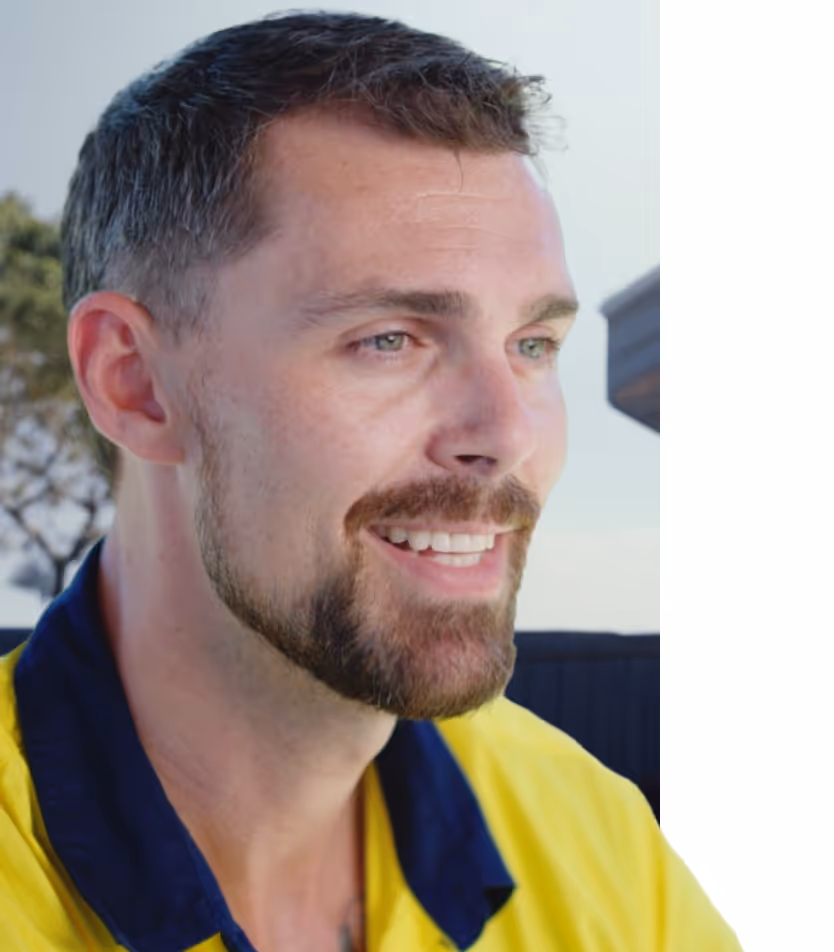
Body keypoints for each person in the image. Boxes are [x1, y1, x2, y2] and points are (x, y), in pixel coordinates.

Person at [0, 12, 741, 952]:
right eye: (390, 340)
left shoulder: (597, 842)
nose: (507, 434)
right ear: (134, 383)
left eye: (532, 345)